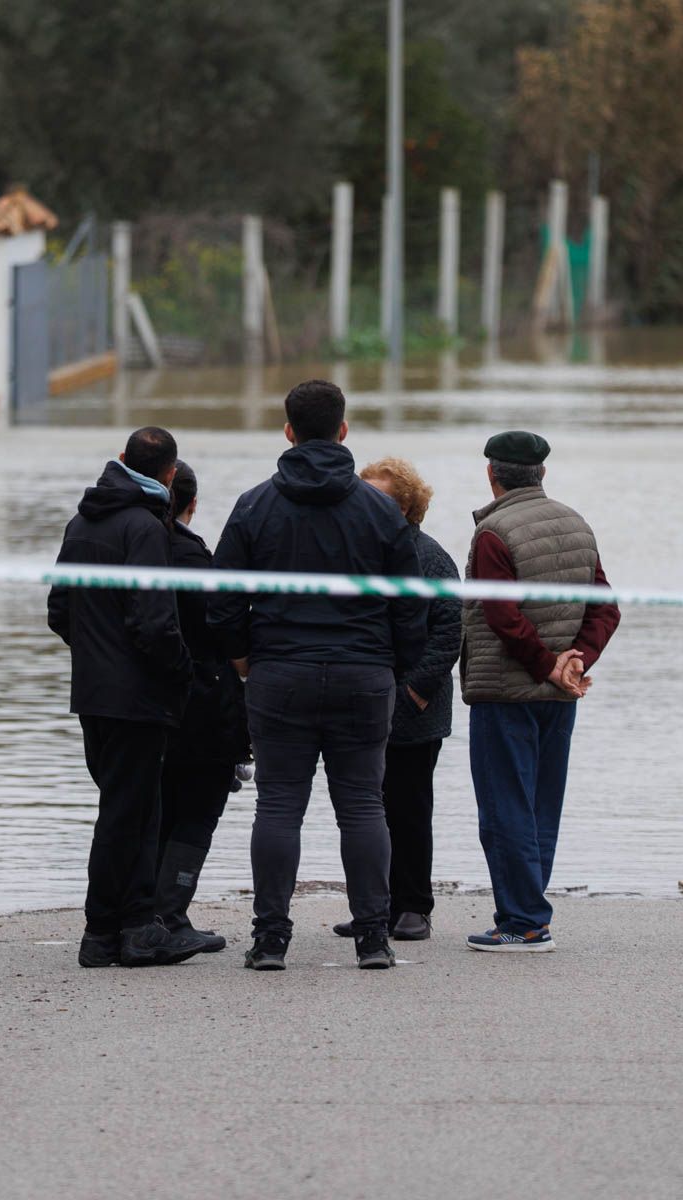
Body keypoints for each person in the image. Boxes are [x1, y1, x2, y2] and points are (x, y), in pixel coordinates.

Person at [208, 380, 427, 971]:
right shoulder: (381, 511)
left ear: (287, 432)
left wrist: (244, 660)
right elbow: (412, 605)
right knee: (362, 805)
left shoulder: (254, 505)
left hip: (280, 673)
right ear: (343, 431)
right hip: (363, 675)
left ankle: (271, 939)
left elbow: (223, 602)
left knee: (278, 805)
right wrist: (392, 664)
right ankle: (374, 939)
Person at [47, 427, 206, 969]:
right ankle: (112, 931)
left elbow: (59, 610)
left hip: (93, 694)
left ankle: (125, 929)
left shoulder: (81, 522)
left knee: (130, 809)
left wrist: (95, 655)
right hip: (139, 696)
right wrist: (182, 674)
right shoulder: (145, 528)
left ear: (121, 459)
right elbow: (156, 623)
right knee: (127, 813)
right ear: (169, 474)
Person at [461, 431, 619, 952]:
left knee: (504, 807)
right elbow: (605, 608)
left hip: (506, 692)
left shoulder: (494, 534)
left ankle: (524, 921)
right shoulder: (578, 526)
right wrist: (577, 661)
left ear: (492, 473)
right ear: (542, 474)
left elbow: (501, 616)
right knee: (540, 806)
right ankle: (529, 911)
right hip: (557, 697)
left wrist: (551, 666)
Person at [330, 457, 461, 943]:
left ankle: (413, 907)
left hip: (414, 710)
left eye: (381, 498)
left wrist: (413, 692)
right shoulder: (352, 552)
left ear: (407, 506)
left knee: (408, 809)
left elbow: (449, 633)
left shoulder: (430, 558)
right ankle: (373, 906)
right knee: (365, 809)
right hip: (358, 702)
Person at [154, 461, 250, 954]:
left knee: (155, 806)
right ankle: (170, 913)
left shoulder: (130, 549)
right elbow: (221, 627)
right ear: (193, 505)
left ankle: (143, 910)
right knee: (198, 809)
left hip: (140, 703)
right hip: (202, 701)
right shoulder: (193, 560)